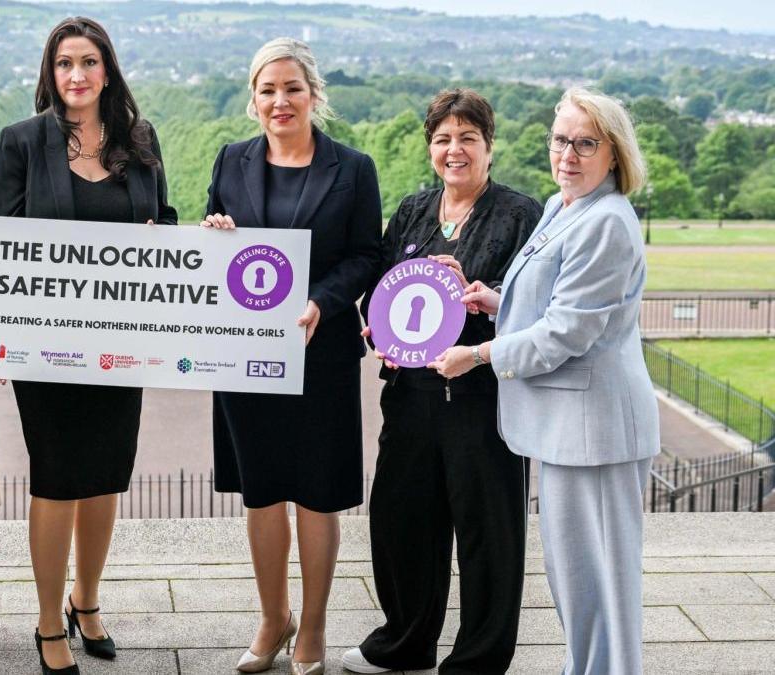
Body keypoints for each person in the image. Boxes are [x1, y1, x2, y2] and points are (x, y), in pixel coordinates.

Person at [428, 87, 659, 675]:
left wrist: (477, 354)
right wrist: (496, 301)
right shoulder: (564, 206)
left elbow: (565, 334)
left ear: (614, 153)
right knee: (575, 579)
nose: (568, 155)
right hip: (568, 430)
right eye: (561, 140)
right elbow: (550, 303)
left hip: (596, 433)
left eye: (586, 143)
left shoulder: (606, 221)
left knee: (601, 585)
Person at [0, 16, 177, 675]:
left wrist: (182, 241)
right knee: (58, 477)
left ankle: (86, 602)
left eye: (88, 62)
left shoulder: (139, 140)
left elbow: (165, 224)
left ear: (108, 70)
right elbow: (3, 244)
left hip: (124, 342)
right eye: (65, 63)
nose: (77, 75)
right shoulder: (21, 142)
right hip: (49, 347)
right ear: (50, 72)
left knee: (106, 477)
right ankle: (46, 623)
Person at [342, 89, 541, 675]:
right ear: (431, 147)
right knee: (402, 521)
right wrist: (376, 334)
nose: (454, 150)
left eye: (467, 138)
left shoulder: (519, 214)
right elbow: (377, 293)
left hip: (482, 398)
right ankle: (404, 643)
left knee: (487, 533)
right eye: (443, 139)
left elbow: (532, 312)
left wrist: (472, 295)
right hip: (410, 398)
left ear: (489, 147)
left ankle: (477, 660)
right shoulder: (412, 211)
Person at [201, 37, 382, 675]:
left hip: (320, 351)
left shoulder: (353, 168)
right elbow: (212, 242)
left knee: (317, 494)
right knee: (263, 491)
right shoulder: (230, 161)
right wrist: (215, 234)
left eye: (292, 89)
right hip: (245, 357)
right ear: (253, 101)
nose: (280, 101)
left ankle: (313, 628)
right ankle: (272, 620)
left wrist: (322, 301)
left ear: (313, 96)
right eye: (268, 90)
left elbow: (367, 256)